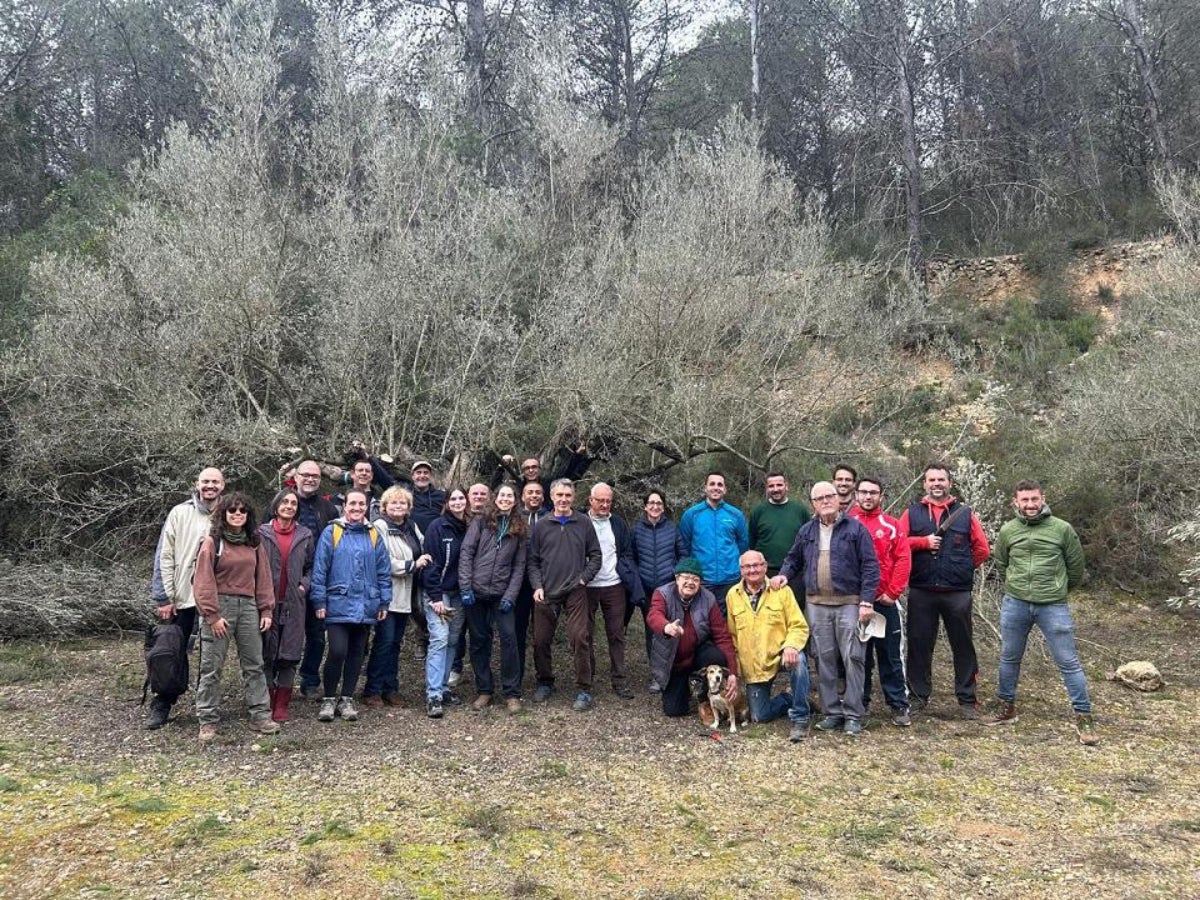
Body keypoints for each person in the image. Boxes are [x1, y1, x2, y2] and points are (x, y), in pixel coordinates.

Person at [983, 480, 1098, 745]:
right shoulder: (1008, 530)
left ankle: (1084, 716)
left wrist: (1057, 590)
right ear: (1016, 502)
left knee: (1068, 662)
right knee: (1009, 658)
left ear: (1043, 499)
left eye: (1034, 499)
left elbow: (1076, 568)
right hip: (1016, 603)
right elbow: (1001, 563)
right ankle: (1006, 706)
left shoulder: (1062, 529)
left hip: (1053, 606)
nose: (1030, 505)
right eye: (1025, 500)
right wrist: (1017, 586)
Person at [774, 481, 879, 737]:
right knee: (823, 660)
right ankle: (832, 712)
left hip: (850, 604)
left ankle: (854, 714)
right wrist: (783, 576)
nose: (825, 501)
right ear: (813, 504)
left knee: (854, 658)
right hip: (816, 605)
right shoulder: (807, 531)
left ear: (839, 498)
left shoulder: (856, 529)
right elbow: (794, 559)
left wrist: (867, 601)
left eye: (829, 496)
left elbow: (870, 567)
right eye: (819, 498)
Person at [899, 463, 990, 718]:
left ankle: (967, 700)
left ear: (950, 483)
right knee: (918, 645)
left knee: (962, 645)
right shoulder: (912, 513)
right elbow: (898, 544)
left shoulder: (965, 513)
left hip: (957, 592)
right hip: (922, 589)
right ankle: (917, 696)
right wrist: (922, 543)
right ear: (924, 484)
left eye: (941, 479)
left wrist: (960, 568)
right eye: (932, 480)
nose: (936, 484)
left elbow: (982, 549)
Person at [192, 492, 279, 742]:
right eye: (233, 510)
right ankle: (207, 719)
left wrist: (266, 609)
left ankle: (260, 715)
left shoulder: (254, 542)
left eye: (243, 511)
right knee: (211, 667)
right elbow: (203, 581)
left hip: (249, 607)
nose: (238, 514)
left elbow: (262, 578)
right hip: (220, 608)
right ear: (223, 514)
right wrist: (212, 615)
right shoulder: (212, 543)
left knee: (254, 664)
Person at [145, 466, 225, 730]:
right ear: (197, 484)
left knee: (212, 655)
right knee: (172, 651)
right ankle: (163, 702)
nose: (210, 486)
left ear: (223, 486)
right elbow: (164, 555)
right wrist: (163, 596)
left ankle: (207, 706)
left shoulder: (231, 514)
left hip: (217, 597)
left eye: (215, 481)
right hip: (184, 596)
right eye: (206, 481)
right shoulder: (180, 513)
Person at [309, 489, 391, 723]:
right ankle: (328, 698)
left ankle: (347, 698)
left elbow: (383, 571)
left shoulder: (374, 534)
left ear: (367, 507)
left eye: (361, 504)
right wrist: (319, 600)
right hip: (337, 602)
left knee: (356, 653)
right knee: (337, 651)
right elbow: (320, 569)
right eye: (352, 503)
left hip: (366, 603)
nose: (356, 508)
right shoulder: (332, 532)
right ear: (345, 505)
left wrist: (384, 600)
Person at [528, 478, 602, 710]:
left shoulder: (583, 523)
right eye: (559, 495)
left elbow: (596, 556)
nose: (563, 499)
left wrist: (583, 578)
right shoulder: (541, 525)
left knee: (580, 638)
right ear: (551, 497)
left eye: (567, 496)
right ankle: (545, 681)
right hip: (547, 591)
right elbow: (533, 561)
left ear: (574, 497)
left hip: (575, 591)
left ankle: (584, 689)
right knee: (540, 640)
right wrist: (537, 585)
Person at [725, 551, 811, 740]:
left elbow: (799, 625)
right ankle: (788, 699)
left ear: (765, 567)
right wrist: (735, 670)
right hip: (754, 664)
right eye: (747, 566)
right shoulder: (733, 595)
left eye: (757, 565)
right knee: (759, 716)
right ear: (741, 571)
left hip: (781, 654)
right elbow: (732, 636)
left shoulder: (781, 591)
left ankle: (800, 718)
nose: (752, 570)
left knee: (799, 660)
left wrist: (791, 646)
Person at [847, 476, 912, 727]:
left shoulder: (892, 525)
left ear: (881, 496)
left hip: (883, 602)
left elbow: (903, 559)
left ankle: (897, 704)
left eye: (873, 493)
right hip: (856, 603)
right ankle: (859, 704)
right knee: (859, 656)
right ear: (856, 494)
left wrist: (893, 592)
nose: (867, 497)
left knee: (891, 656)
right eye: (863, 492)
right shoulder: (847, 523)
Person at [459, 483, 528, 713]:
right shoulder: (480, 522)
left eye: (510, 496)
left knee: (509, 640)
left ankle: (512, 693)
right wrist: (466, 587)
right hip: (476, 593)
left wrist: (510, 595)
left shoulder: (519, 527)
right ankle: (484, 690)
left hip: (502, 594)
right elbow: (467, 553)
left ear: (515, 500)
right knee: (479, 641)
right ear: (495, 498)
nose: (505, 499)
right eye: (502, 495)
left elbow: (519, 567)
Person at [362, 486, 430, 708]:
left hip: (407, 595)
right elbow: (380, 561)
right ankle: (372, 690)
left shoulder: (411, 527)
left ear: (409, 507)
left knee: (395, 643)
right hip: (388, 595)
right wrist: (411, 565)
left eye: (402, 503)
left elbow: (424, 547)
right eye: (393, 503)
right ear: (384, 506)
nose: (398, 506)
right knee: (384, 642)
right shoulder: (379, 527)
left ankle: (390, 688)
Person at [646, 558, 739, 718]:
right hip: (673, 659)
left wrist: (732, 672)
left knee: (717, 657)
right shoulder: (662, 593)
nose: (690, 582)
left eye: (695, 579)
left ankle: (705, 697)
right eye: (686, 578)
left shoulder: (708, 598)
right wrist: (666, 627)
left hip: (698, 652)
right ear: (677, 578)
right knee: (674, 710)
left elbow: (722, 635)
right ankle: (684, 689)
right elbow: (654, 615)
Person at [258, 489, 315, 723]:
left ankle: (282, 702)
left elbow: (312, 567)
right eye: (285, 502)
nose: (289, 506)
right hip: (266, 602)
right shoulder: (261, 533)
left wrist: (304, 586)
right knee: (266, 652)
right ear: (276, 506)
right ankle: (266, 699)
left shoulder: (305, 535)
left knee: (289, 653)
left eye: (293, 503)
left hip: (294, 602)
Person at [584, 482, 644, 700]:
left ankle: (619, 679)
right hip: (587, 586)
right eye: (600, 500)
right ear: (591, 500)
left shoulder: (618, 523)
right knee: (585, 634)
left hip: (613, 585)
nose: (605, 504)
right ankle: (586, 680)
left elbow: (627, 552)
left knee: (617, 634)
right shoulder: (581, 521)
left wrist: (625, 574)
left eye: (608, 501)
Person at [290, 460, 341, 701]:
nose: (310, 479)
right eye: (306, 475)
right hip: (289, 579)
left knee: (318, 634)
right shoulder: (284, 502)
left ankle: (310, 679)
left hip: (320, 580)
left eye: (315, 476)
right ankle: (281, 680)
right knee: (287, 632)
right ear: (296, 477)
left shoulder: (327, 508)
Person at [421, 487, 471, 718]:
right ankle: (433, 694)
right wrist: (435, 597)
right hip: (438, 593)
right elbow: (430, 564)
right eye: (454, 499)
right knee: (439, 639)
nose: (458, 502)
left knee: (452, 640)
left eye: (462, 498)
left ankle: (443, 687)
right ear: (447, 502)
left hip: (460, 593)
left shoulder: (470, 527)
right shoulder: (438, 527)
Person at [678, 471, 749, 615]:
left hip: (730, 579)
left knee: (729, 622)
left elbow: (743, 544)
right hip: (702, 579)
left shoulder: (735, 515)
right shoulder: (691, 515)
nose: (716, 487)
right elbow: (684, 546)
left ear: (725, 489)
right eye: (712, 484)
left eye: (720, 484)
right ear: (705, 488)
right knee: (701, 620)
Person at [629, 489, 683, 675]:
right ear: (645, 506)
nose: (655, 506)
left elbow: (682, 554)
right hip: (646, 589)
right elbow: (631, 558)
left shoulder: (672, 528)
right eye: (651, 503)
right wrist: (637, 580)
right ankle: (656, 673)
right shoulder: (636, 529)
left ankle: (673, 669)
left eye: (659, 503)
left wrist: (676, 575)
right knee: (652, 630)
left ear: (663, 506)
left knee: (671, 627)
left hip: (668, 588)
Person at [514, 481, 550, 685]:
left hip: (543, 583)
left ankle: (543, 679)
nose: (534, 495)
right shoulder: (515, 517)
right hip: (518, 583)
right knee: (517, 631)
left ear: (543, 496)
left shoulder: (549, 517)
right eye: (530, 492)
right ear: (522, 496)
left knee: (541, 634)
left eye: (538, 492)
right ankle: (515, 677)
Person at [748, 473, 811, 579]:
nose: (776, 489)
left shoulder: (800, 510)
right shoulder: (758, 511)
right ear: (767, 488)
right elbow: (752, 542)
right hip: (765, 572)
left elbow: (808, 540)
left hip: (795, 571)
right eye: (771, 486)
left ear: (786, 486)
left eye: (779, 485)